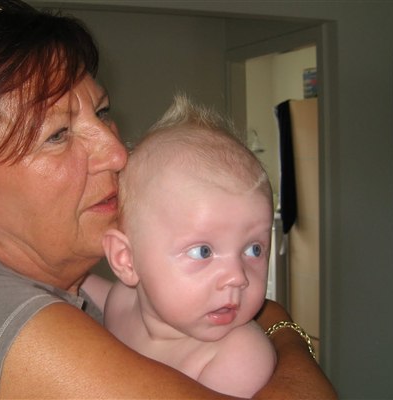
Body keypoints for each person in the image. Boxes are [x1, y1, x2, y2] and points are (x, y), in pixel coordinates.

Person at [0, 0, 337, 398]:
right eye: (58, 134)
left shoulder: (87, 295)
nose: (116, 152)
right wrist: (279, 329)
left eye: (103, 112)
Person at [102, 94, 279, 398]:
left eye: (254, 249)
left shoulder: (240, 357)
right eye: (203, 252)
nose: (237, 277)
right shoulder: (121, 302)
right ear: (126, 259)